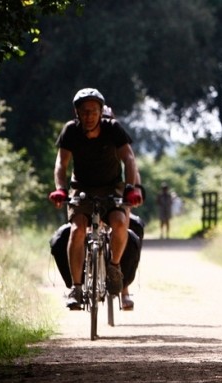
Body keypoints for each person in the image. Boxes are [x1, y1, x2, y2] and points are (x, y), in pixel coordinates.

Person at [48, 88, 144, 311]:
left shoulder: (113, 129)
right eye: (84, 111)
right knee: (77, 229)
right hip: (81, 187)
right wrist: (61, 189)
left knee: (120, 223)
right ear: (77, 112)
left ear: (101, 112)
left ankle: (114, 267)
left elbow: (129, 158)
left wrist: (131, 188)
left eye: (93, 111)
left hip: (112, 187)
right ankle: (77, 288)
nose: (89, 116)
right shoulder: (71, 131)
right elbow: (61, 164)